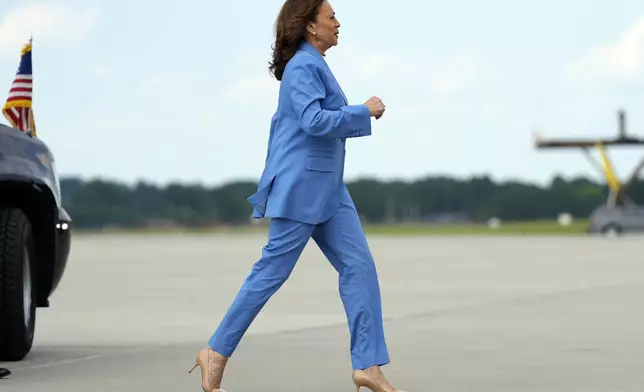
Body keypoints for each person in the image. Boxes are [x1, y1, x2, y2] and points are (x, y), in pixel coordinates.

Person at [189, 0, 405, 391]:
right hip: (303, 188)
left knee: (359, 268)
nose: (338, 23)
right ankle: (216, 352)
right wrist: (363, 110)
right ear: (309, 26)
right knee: (271, 273)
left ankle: (368, 365)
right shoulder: (303, 67)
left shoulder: (315, 64)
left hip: (330, 191)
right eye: (331, 16)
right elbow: (314, 121)